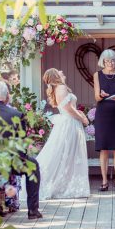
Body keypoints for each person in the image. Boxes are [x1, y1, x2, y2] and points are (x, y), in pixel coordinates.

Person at [0, 81, 42, 220]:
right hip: (10, 162)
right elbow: (22, 144)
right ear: (7, 96)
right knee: (33, 166)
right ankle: (33, 210)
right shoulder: (17, 114)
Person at [36, 68, 90, 199]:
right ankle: (59, 185)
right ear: (55, 75)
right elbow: (68, 108)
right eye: (60, 72)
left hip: (69, 121)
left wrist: (79, 114)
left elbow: (70, 107)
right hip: (69, 123)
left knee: (68, 153)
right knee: (65, 152)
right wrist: (82, 118)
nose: (63, 72)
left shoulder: (60, 88)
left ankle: (67, 184)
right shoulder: (61, 87)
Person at [93, 49, 115, 192]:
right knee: (103, 149)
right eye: (107, 61)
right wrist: (101, 95)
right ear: (103, 61)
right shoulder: (97, 75)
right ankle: (104, 181)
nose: (110, 63)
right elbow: (96, 97)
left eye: (113, 60)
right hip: (103, 113)